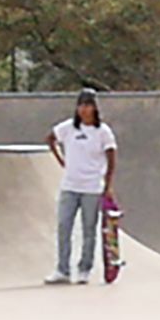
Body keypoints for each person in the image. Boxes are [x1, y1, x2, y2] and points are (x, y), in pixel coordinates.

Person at [44, 90, 120, 284]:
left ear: (94, 108)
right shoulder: (68, 128)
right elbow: (50, 138)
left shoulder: (103, 132)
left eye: (88, 105)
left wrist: (108, 185)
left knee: (89, 229)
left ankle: (85, 268)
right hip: (70, 185)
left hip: (92, 187)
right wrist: (61, 160)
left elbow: (112, 159)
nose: (84, 110)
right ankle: (63, 269)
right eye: (81, 106)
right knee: (64, 226)